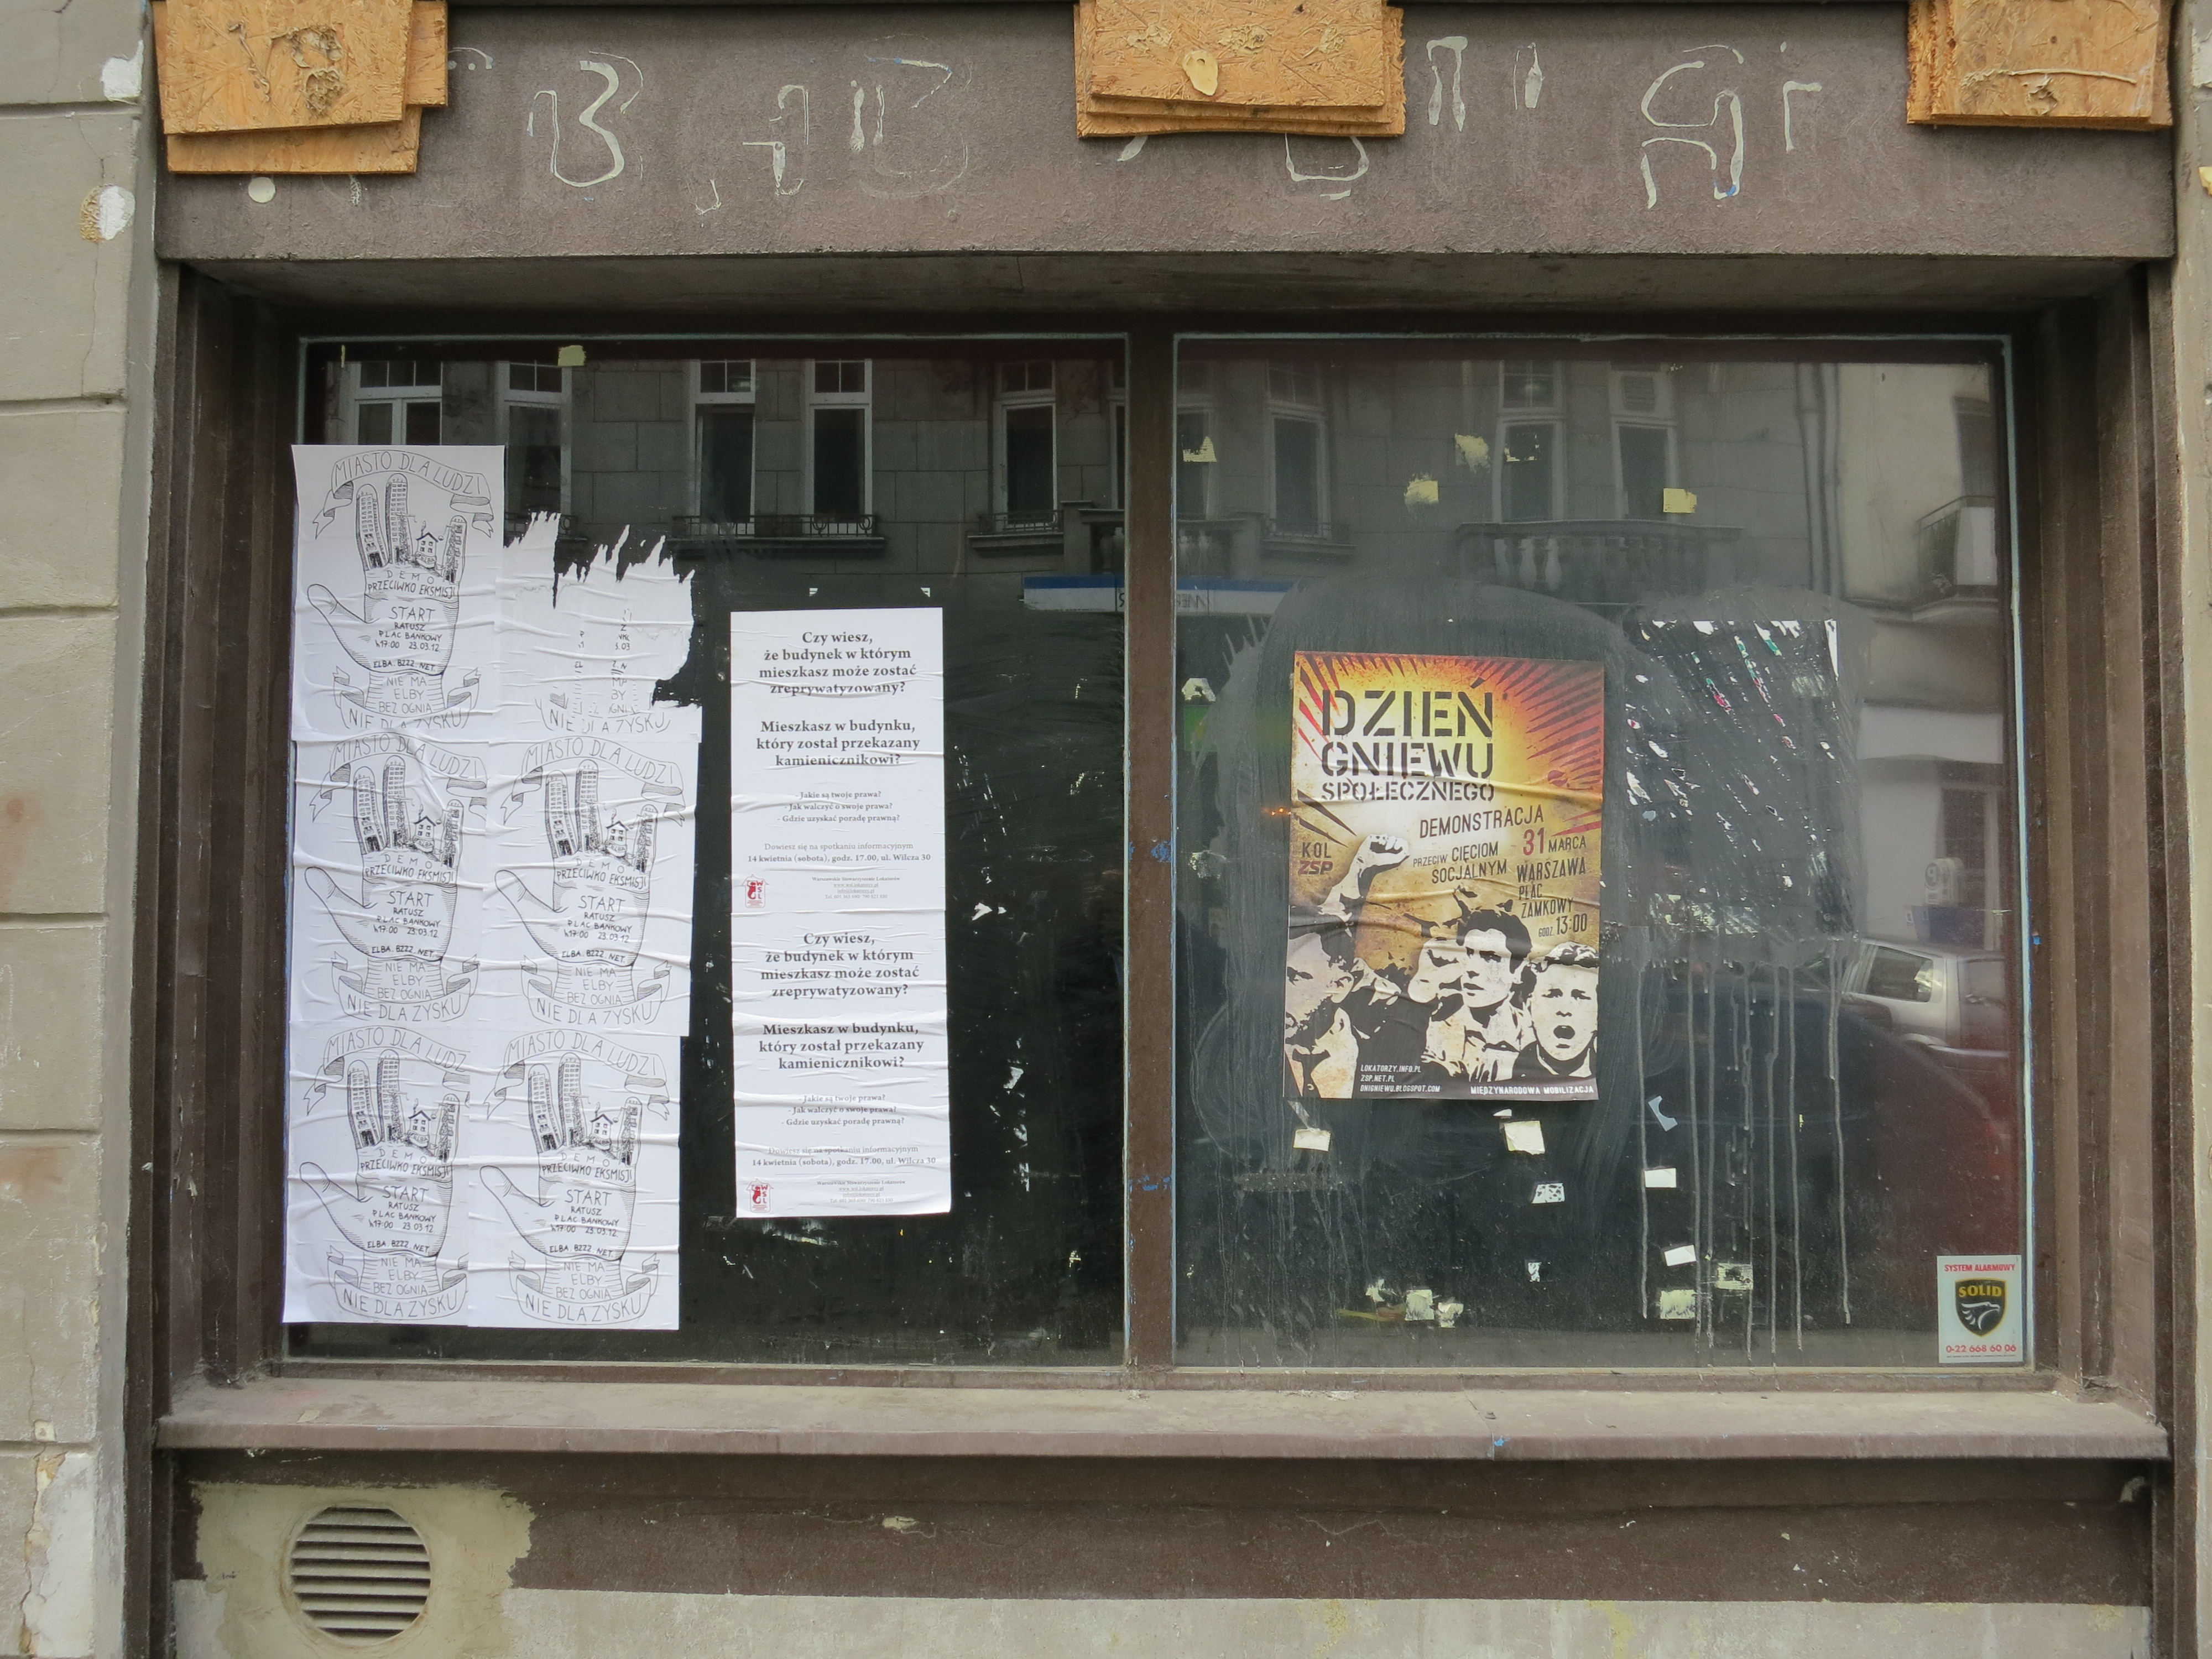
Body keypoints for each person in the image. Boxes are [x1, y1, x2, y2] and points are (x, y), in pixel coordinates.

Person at [1511, 941, 1601, 1080]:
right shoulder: (1507, 1072)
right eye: (1553, 995)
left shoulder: (1612, 1069)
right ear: (1529, 1008)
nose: (1565, 1010)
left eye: (1580, 997)